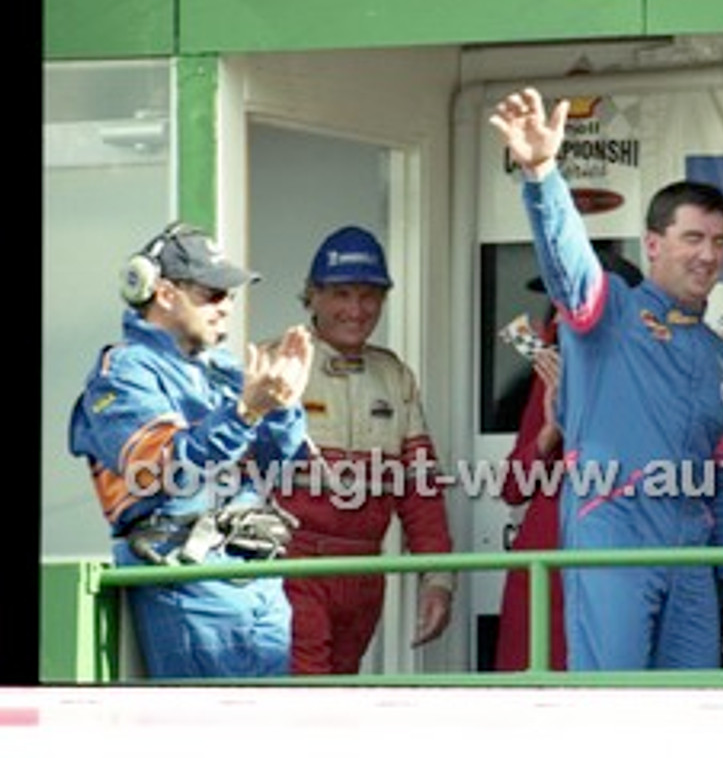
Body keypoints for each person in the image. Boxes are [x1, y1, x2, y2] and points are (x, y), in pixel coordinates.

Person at [489, 87, 723, 671]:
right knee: (612, 716)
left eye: (719, 241)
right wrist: (541, 176)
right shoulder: (608, 312)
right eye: (693, 238)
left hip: (691, 563)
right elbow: (567, 260)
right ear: (654, 245)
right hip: (613, 545)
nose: (708, 255)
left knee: (689, 723)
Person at [68, 221, 314, 678]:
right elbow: (160, 472)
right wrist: (245, 414)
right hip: (190, 578)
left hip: (258, 575)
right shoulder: (122, 372)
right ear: (164, 294)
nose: (226, 308)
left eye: (231, 296)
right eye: (213, 294)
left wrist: (281, 406)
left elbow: (282, 469)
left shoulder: (221, 367)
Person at [274, 225, 455, 675]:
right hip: (292, 564)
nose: (356, 310)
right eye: (341, 294)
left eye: (369, 296)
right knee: (307, 694)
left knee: (342, 697)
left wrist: (438, 580)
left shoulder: (394, 376)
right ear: (312, 296)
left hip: (364, 571)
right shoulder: (276, 363)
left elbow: (420, 492)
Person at [493, 248, 644, 672]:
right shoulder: (549, 378)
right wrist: (549, 433)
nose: (557, 318)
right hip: (545, 564)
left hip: (615, 560)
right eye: (555, 306)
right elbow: (512, 487)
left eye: (571, 306)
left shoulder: (653, 376)